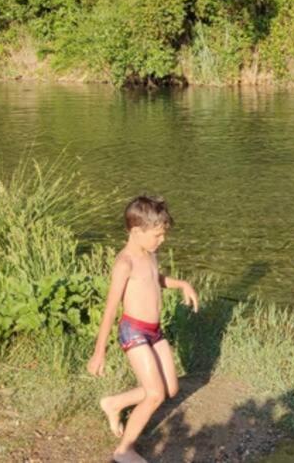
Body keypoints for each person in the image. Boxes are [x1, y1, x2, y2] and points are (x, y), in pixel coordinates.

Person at [87, 196, 199, 463]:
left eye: (163, 234)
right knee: (155, 394)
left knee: (170, 389)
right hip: (133, 331)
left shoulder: (150, 254)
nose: (162, 240)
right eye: (157, 235)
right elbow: (110, 309)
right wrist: (99, 352)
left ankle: (113, 403)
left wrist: (181, 284)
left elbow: (154, 278)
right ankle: (123, 450)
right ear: (137, 231)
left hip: (154, 331)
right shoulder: (124, 263)